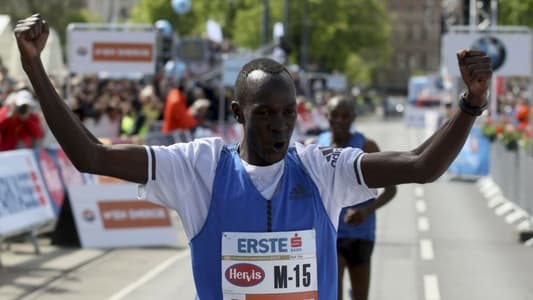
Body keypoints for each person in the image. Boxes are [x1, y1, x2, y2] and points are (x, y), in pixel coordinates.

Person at [15, 14, 492, 299]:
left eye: (289, 113)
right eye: (265, 114)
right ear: (239, 113)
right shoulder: (199, 168)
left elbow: (421, 166)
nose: (280, 125)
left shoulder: (322, 168)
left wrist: (471, 104)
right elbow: (90, 156)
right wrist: (35, 67)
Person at [310, 96, 397, 300]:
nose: (339, 121)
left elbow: (391, 190)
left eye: (345, 116)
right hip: (330, 234)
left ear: (353, 118)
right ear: (326, 117)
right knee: (333, 295)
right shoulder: (314, 146)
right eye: (335, 116)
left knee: (360, 297)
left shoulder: (367, 146)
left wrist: (365, 211)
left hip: (361, 234)